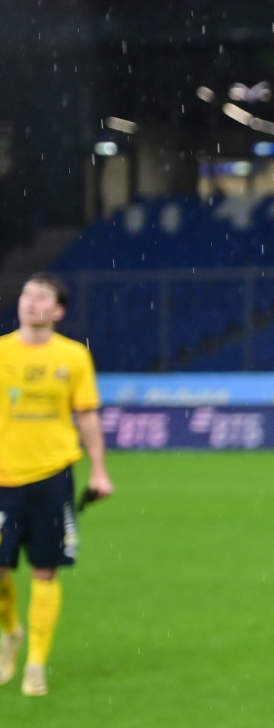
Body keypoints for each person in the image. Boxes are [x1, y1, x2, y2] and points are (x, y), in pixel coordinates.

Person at [0, 273, 113, 696]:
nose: (31, 302)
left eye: (42, 297)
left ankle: (35, 664)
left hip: (52, 476)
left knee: (45, 569)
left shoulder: (73, 357)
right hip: (3, 477)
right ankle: (11, 632)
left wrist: (99, 470)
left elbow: (87, 415)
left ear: (58, 311)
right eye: (27, 294)